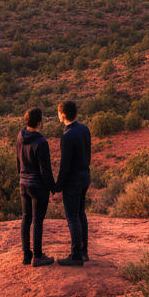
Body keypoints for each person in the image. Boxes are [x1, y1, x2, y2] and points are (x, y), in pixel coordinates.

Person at [53, 100, 91, 266]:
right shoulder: (84, 129)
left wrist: (58, 188)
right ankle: (83, 252)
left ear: (63, 115)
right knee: (81, 213)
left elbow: (65, 166)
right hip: (84, 176)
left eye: (58, 112)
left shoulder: (67, 136)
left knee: (73, 217)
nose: (58, 115)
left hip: (73, 181)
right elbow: (88, 154)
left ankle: (75, 256)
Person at [16, 107, 55, 267]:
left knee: (26, 218)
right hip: (37, 186)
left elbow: (18, 161)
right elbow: (45, 171)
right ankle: (38, 257)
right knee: (37, 220)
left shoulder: (20, 135)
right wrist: (54, 189)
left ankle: (26, 255)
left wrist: (21, 176)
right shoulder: (41, 142)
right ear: (39, 122)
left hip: (23, 183)